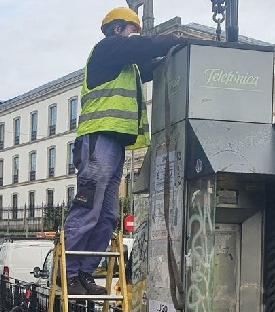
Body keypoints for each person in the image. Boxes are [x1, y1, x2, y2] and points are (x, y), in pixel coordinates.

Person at [64, 7, 185, 295]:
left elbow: (146, 62)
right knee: (88, 208)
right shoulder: (108, 48)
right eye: (133, 29)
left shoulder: (125, 67)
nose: (135, 36)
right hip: (98, 141)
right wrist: (175, 39)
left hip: (114, 145)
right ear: (118, 29)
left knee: (106, 216)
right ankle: (67, 273)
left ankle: (84, 274)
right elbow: (142, 47)